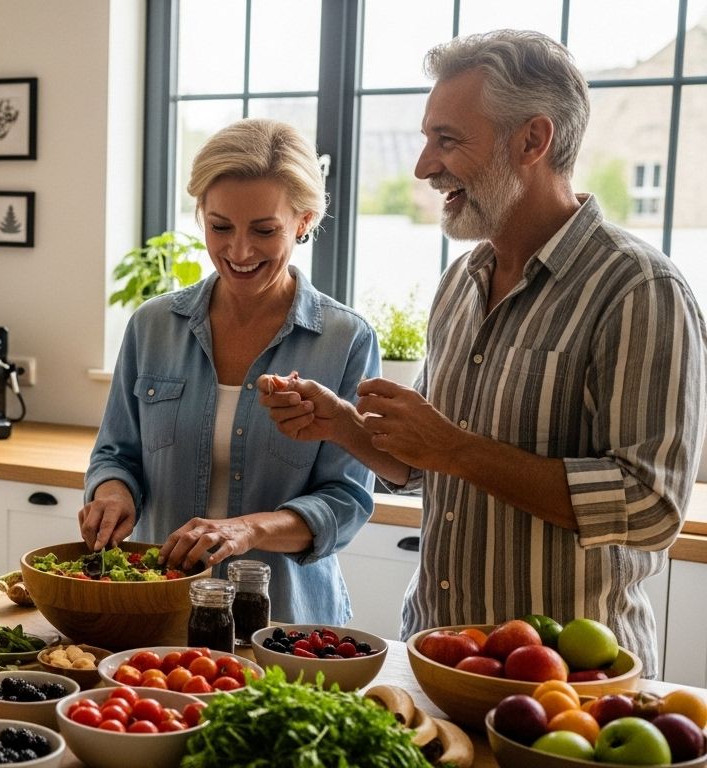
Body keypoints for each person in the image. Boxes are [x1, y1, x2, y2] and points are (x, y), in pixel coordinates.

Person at [259, 30, 705, 678]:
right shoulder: (461, 282)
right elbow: (427, 465)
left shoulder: (640, 290)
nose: (422, 166)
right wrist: (343, 426)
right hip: (435, 658)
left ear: (532, 140)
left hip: (570, 690)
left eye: (448, 139)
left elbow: (650, 505)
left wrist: (455, 449)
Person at [80, 118, 380, 627]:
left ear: (304, 221)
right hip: (161, 615)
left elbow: (346, 499)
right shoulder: (153, 326)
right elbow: (117, 452)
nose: (239, 251)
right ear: (200, 214)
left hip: (287, 626)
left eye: (265, 230)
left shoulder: (344, 339)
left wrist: (249, 529)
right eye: (220, 227)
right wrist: (113, 493)